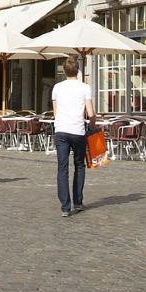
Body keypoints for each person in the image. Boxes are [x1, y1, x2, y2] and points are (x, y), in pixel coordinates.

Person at [51, 56, 94, 216]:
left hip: (61, 130)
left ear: (64, 71)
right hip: (77, 130)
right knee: (79, 166)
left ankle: (65, 206)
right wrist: (93, 123)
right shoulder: (85, 88)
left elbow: (56, 112)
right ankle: (78, 201)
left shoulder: (57, 88)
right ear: (78, 70)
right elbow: (90, 113)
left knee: (62, 168)